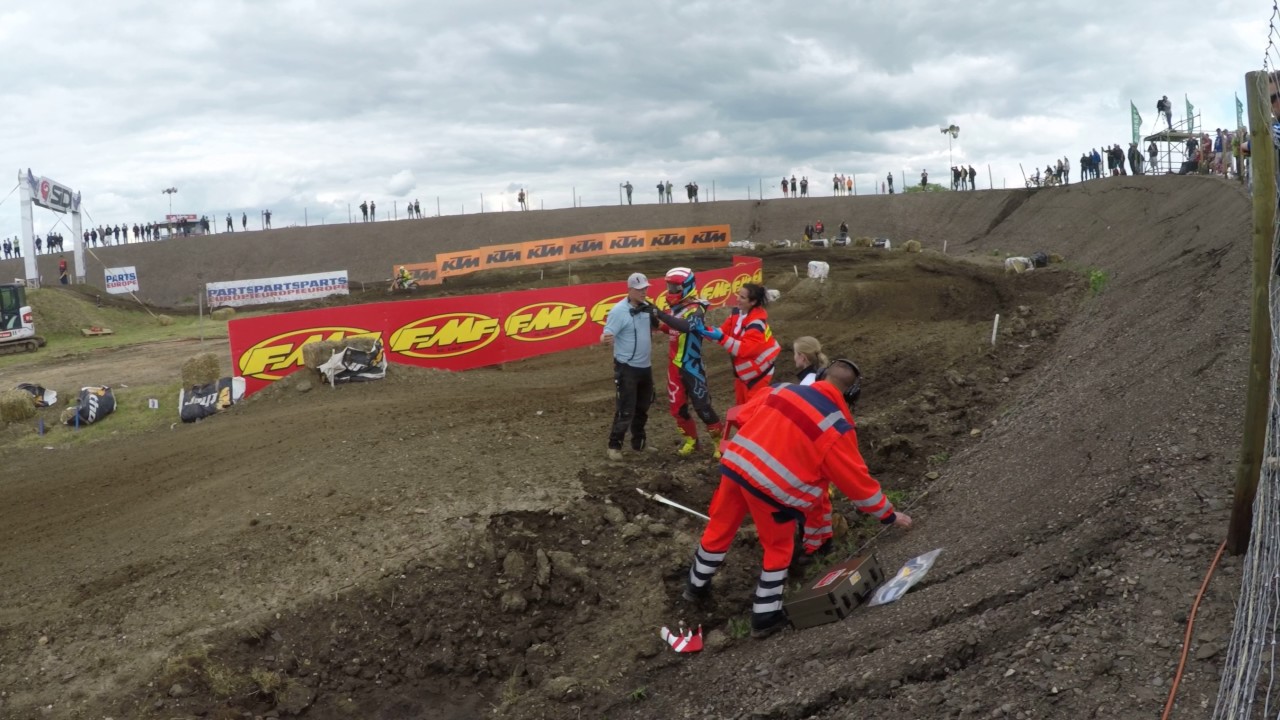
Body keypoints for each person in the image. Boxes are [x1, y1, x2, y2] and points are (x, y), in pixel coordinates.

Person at [682, 359, 913, 638]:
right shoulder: (836, 427)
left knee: (719, 528)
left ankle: (695, 586)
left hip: (735, 467)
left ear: (820, 376)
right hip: (771, 490)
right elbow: (858, 483)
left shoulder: (781, 390)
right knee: (778, 549)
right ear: (851, 395)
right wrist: (888, 514)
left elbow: (741, 415)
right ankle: (764, 617)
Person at [651, 267, 723, 457]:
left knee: (702, 407)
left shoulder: (697, 308)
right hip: (674, 366)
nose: (671, 290)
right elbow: (671, 328)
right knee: (677, 409)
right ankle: (691, 441)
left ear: (687, 287)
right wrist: (653, 320)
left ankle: (719, 443)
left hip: (692, 366)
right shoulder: (677, 309)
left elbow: (686, 327)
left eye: (675, 287)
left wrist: (660, 314)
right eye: (669, 286)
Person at [600, 272, 660, 460]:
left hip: (645, 366)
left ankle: (639, 443)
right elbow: (606, 333)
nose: (644, 292)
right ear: (630, 290)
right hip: (627, 367)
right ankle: (614, 446)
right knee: (626, 408)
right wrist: (605, 339)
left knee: (643, 407)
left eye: (646, 289)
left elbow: (657, 327)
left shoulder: (647, 308)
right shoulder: (619, 311)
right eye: (640, 289)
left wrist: (657, 318)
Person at [693, 283, 781, 405]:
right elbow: (722, 332)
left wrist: (721, 337)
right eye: (738, 295)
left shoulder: (756, 324)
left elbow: (744, 349)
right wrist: (704, 330)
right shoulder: (736, 313)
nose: (737, 299)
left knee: (752, 412)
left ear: (753, 302)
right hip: (744, 373)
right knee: (741, 408)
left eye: (742, 297)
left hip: (759, 373)